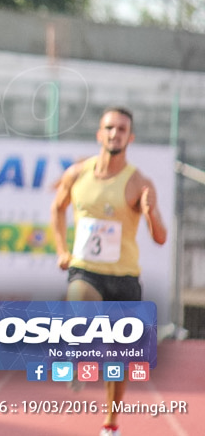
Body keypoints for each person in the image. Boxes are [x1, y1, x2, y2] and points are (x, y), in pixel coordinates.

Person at [49, 106, 167, 436]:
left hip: (125, 277)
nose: (115, 134)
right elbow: (57, 209)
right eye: (110, 128)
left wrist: (151, 213)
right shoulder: (77, 175)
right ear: (100, 134)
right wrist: (62, 250)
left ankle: (110, 425)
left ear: (131, 137)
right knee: (80, 294)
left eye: (122, 129)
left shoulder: (140, 183)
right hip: (86, 268)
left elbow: (160, 238)